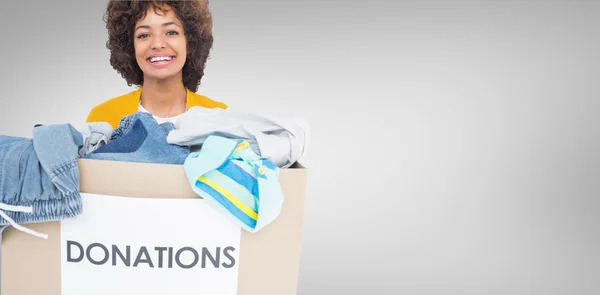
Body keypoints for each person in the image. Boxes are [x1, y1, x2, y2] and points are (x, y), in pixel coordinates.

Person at [85, 0, 227, 129]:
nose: (158, 44)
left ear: (190, 42)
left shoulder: (220, 118)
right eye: (144, 35)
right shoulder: (103, 119)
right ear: (129, 46)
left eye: (171, 32)